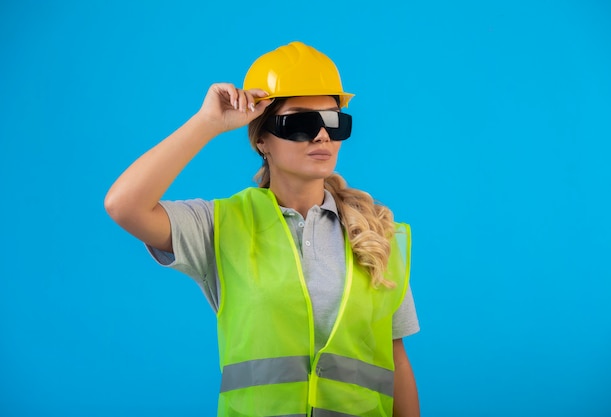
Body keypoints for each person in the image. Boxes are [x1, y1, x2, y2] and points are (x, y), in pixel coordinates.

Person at [105, 41, 420, 417]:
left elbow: (395, 359)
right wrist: (207, 124)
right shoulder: (220, 226)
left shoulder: (379, 233)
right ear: (261, 140)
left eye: (335, 122)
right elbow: (123, 205)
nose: (322, 136)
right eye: (301, 123)